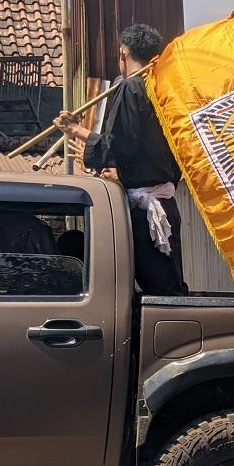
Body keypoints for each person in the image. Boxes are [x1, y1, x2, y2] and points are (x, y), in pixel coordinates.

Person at [55, 23, 187, 295]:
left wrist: (76, 130)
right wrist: (118, 168)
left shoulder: (132, 88)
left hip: (145, 211)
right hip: (165, 203)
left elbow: (121, 146)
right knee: (167, 284)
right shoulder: (163, 89)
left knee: (160, 290)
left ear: (123, 55)